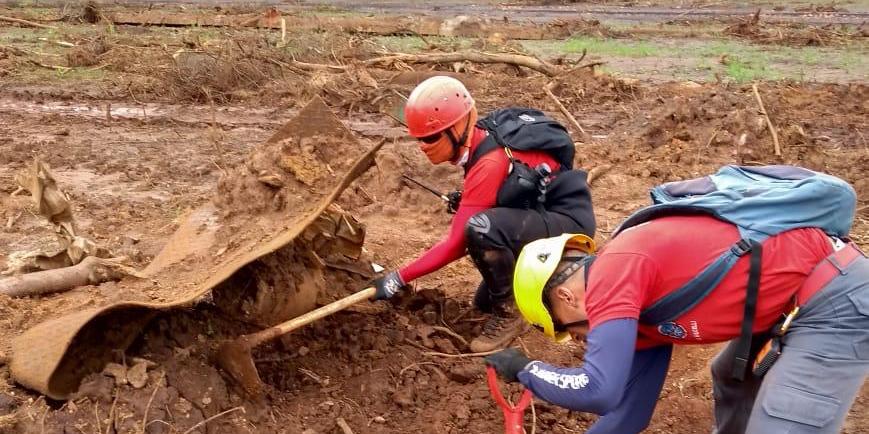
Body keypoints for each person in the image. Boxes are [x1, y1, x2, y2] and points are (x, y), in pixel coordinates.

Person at [484, 207, 869, 432]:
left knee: (781, 420)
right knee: (731, 376)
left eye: (570, 329)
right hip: (789, 304)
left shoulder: (615, 271)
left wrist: (526, 369)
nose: (584, 339)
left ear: (565, 296)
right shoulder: (635, 303)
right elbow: (626, 415)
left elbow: (597, 389)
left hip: (833, 303)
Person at [371, 75, 596, 352]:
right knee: (483, 302)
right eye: (418, 138)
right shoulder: (482, 139)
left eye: (430, 137)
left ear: (457, 128)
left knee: (481, 228)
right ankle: (513, 304)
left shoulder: (489, 162)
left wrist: (397, 278)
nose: (423, 146)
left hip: (568, 222)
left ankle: (509, 315)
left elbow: (456, 244)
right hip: (543, 213)